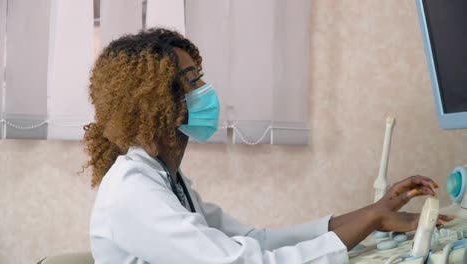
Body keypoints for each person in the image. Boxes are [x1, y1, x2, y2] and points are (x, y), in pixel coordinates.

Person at [84, 28, 453, 264]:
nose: (206, 92)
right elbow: (241, 263)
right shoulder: (132, 192)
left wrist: (373, 213)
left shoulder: (166, 178)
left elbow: (254, 241)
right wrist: (370, 221)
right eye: (192, 82)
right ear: (155, 100)